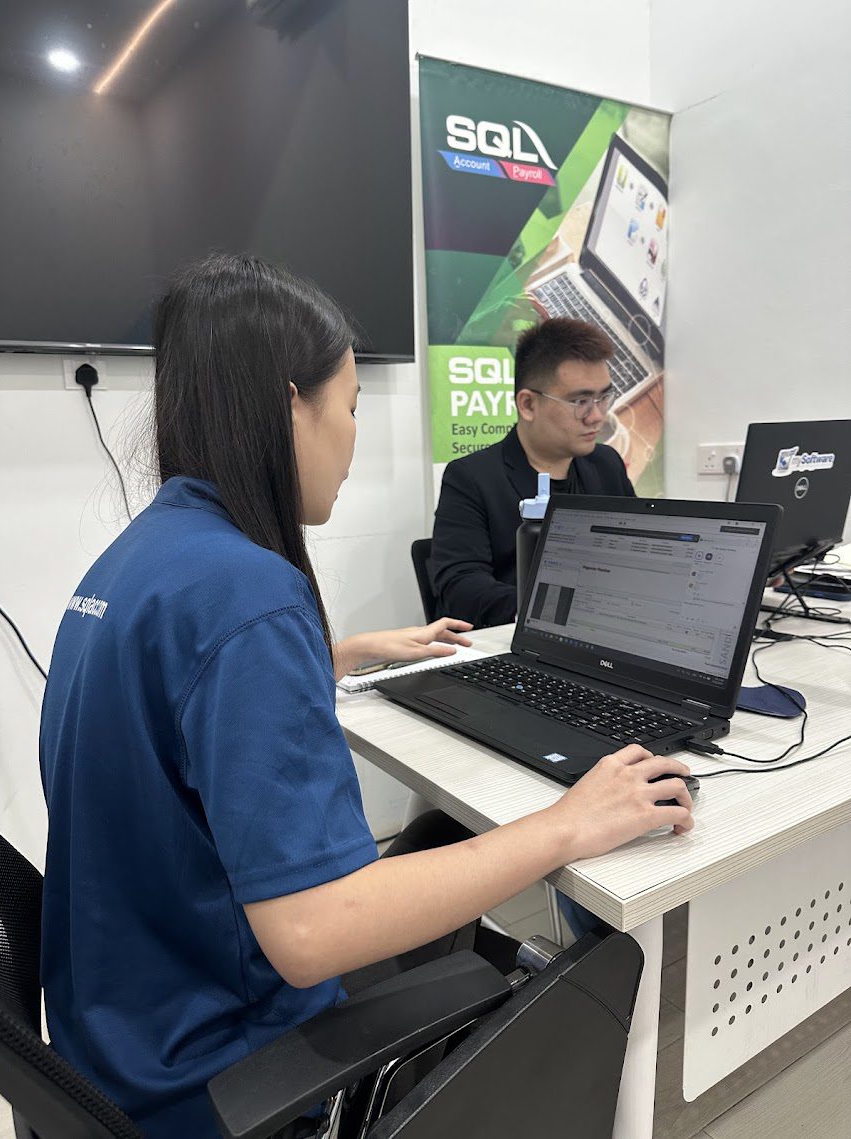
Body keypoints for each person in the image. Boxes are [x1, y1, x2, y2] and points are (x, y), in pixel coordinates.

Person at [39, 254, 693, 1138]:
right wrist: (568, 823)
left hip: (112, 1038)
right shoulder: (248, 595)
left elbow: (173, 720)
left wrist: (331, 655)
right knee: (589, 965)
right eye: (349, 406)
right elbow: (314, 932)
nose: (353, 439)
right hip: (212, 1077)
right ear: (290, 406)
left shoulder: (141, 558)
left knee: (438, 838)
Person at [431, 317, 635, 629]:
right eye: (581, 401)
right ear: (527, 404)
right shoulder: (472, 478)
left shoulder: (606, 465)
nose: (597, 416)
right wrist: (550, 610)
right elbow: (461, 586)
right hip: (517, 638)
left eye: (603, 398)